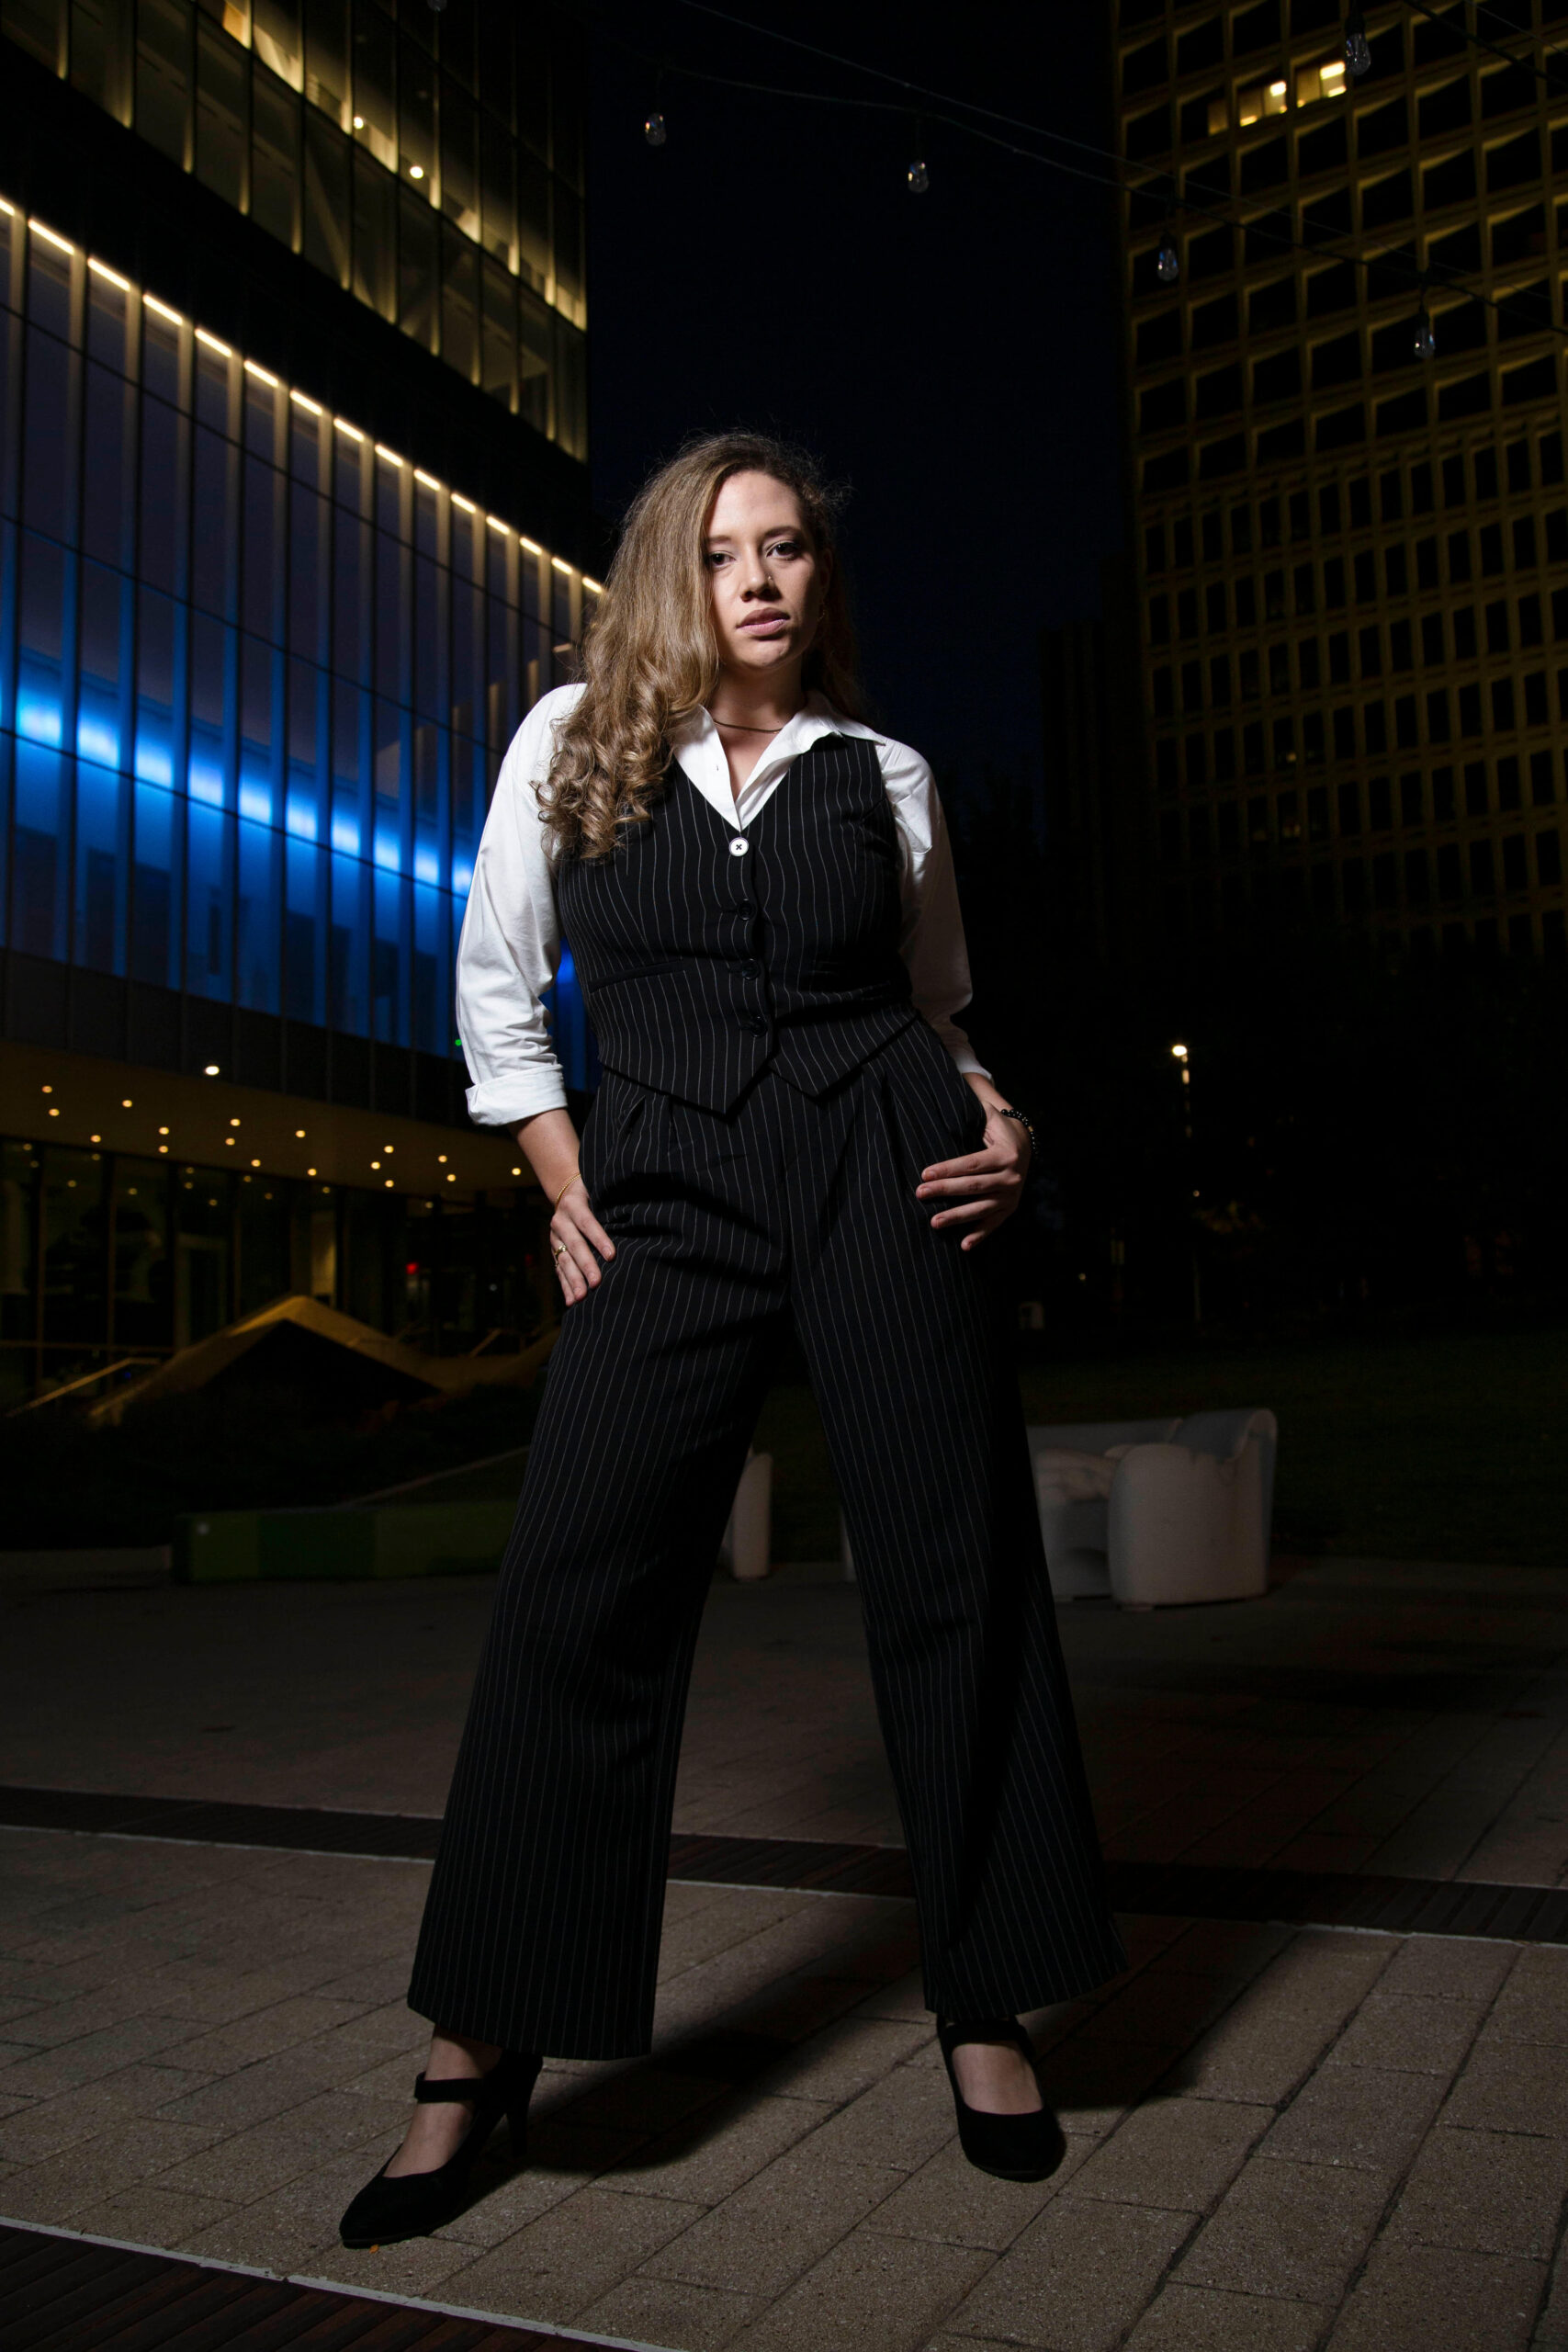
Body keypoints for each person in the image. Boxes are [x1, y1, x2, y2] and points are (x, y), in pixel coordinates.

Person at [339, 431, 1123, 2249]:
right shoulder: (572, 741)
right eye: (720, 551)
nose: (759, 578)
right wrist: (564, 1180)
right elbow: (496, 989)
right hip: (665, 1186)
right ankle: (481, 2040)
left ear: (817, 578)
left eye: (786, 548)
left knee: (951, 1574)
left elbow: (937, 1006)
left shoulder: (885, 773)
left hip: (884, 1172)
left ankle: (987, 1998)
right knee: (576, 1588)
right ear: (665, 578)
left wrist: (1002, 1125)